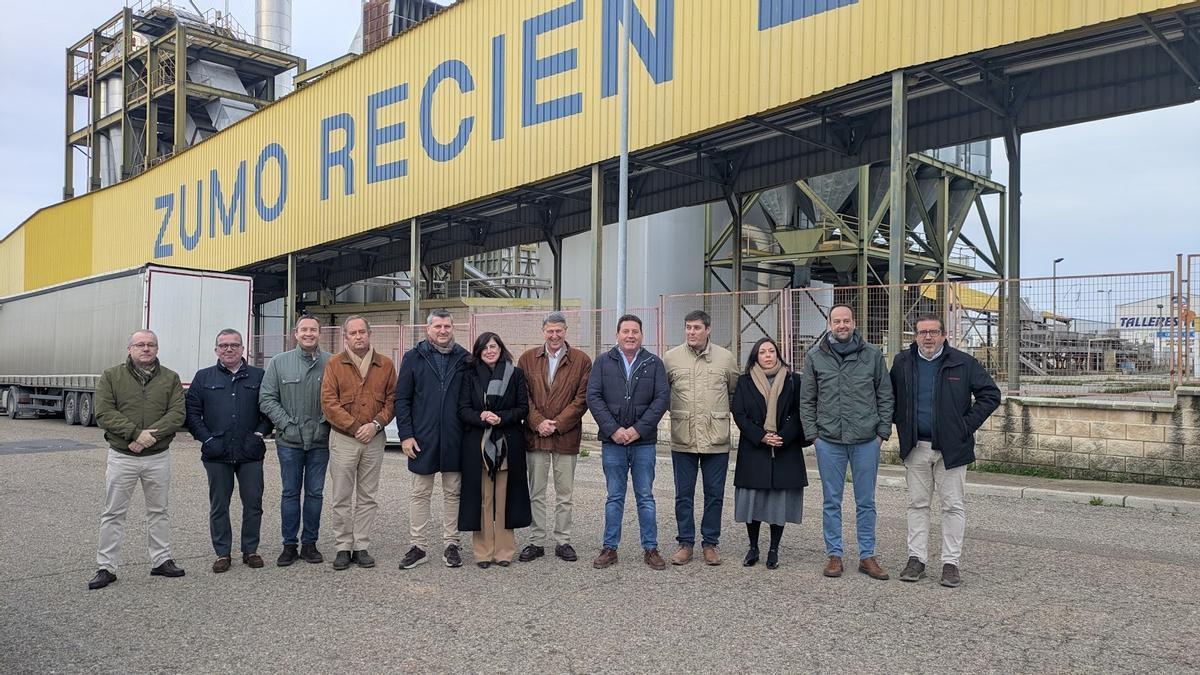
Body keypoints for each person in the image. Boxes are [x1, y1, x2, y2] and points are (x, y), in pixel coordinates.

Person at [890, 315, 1000, 588]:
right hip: (916, 447)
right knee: (917, 504)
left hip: (952, 448)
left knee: (952, 506)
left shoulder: (963, 362)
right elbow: (889, 397)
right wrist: (900, 423)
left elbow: (990, 395)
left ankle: (951, 563)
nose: (928, 337)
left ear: (943, 334)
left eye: (933, 332)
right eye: (922, 332)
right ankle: (916, 559)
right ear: (915, 335)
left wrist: (965, 426)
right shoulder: (903, 362)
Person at [799, 304, 894, 580]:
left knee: (866, 501)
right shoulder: (815, 357)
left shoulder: (872, 355)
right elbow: (807, 400)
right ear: (829, 324)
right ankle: (835, 555)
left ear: (854, 323)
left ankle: (867, 556)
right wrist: (814, 436)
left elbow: (885, 395)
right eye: (836, 321)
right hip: (829, 440)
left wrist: (881, 434)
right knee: (832, 501)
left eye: (846, 320)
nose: (842, 325)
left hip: (866, 440)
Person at [87, 329, 187, 590]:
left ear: (157, 349)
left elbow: (177, 414)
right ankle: (106, 567)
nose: (146, 349)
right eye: (140, 344)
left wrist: (146, 438)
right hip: (122, 457)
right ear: (129, 349)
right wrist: (134, 434)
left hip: (157, 457)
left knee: (159, 511)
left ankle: (161, 560)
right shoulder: (111, 376)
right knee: (113, 513)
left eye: (151, 345)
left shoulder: (170, 378)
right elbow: (104, 413)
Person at [586, 314, 670, 571]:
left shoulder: (653, 363)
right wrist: (613, 430)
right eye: (626, 331)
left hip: (643, 443)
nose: (630, 335)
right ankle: (610, 548)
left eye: (635, 331)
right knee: (614, 496)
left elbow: (661, 399)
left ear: (642, 335)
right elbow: (594, 397)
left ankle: (651, 548)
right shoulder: (602, 362)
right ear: (617, 335)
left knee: (645, 496)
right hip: (613, 443)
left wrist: (637, 430)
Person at [185, 329, 273, 574]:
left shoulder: (259, 376)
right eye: (223, 345)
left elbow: (269, 408)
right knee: (219, 505)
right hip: (217, 453)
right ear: (216, 350)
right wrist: (206, 438)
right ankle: (222, 553)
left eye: (234, 345)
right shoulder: (203, 378)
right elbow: (192, 413)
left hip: (250, 452)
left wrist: (259, 434)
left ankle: (250, 550)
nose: (229, 349)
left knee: (253, 503)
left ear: (243, 349)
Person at [394, 309, 470, 569]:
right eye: (437, 326)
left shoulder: (464, 358)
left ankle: (452, 544)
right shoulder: (413, 357)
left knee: (453, 493)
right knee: (419, 493)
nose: (443, 331)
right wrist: (406, 435)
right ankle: (419, 546)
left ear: (453, 328)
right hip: (422, 439)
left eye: (447, 326)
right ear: (428, 330)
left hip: (454, 438)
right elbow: (402, 399)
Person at [663, 309, 739, 566]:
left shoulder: (725, 358)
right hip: (683, 437)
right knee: (683, 494)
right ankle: (685, 543)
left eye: (696, 327)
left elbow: (734, 393)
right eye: (688, 327)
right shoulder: (671, 358)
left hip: (715, 438)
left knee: (714, 494)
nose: (691, 332)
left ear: (708, 329)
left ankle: (710, 543)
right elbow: (664, 395)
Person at [319, 315, 396, 571]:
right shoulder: (334, 364)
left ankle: (361, 545)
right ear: (346, 337)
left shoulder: (385, 364)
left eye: (362, 332)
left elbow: (392, 400)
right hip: (343, 439)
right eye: (353, 333)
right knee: (341, 495)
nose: (358, 336)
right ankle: (343, 546)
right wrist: (354, 427)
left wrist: (375, 425)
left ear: (369, 333)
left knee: (367, 496)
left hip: (374, 440)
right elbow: (329, 402)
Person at [516, 312, 592, 563]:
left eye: (559, 330)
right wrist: (538, 423)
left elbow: (582, 399)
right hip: (535, 437)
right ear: (543, 332)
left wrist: (556, 424)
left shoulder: (581, 361)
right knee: (536, 491)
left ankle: (563, 540)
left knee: (564, 493)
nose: (554, 335)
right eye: (550, 331)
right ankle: (536, 541)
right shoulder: (527, 359)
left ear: (566, 331)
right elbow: (522, 396)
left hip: (565, 437)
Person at [259, 315, 332, 566]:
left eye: (313, 329)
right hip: (289, 442)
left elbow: (339, 397)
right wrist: (287, 424)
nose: (308, 334)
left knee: (315, 493)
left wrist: (324, 424)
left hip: (320, 442)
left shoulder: (332, 363)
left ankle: (310, 544)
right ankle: (289, 545)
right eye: (304, 330)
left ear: (319, 333)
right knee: (290, 493)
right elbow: (267, 398)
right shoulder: (279, 363)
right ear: (295, 334)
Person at [731, 338, 808, 570]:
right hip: (754, 448)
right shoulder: (745, 381)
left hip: (785, 447)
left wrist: (781, 437)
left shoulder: (794, 380)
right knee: (752, 501)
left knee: (778, 503)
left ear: (778, 354)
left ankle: (774, 549)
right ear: (755, 356)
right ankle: (753, 547)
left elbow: (799, 412)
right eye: (762, 352)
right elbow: (739, 413)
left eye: (771, 351)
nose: (767, 355)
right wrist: (761, 436)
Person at [457, 333, 532, 568]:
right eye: (484, 348)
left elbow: (522, 408)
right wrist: (481, 417)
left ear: (501, 348)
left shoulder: (516, 374)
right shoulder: (468, 376)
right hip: (477, 445)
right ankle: (483, 552)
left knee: (504, 499)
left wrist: (501, 418)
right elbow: (462, 409)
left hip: (507, 443)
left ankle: (504, 551)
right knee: (483, 499)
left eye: (493, 346)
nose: (489, 351)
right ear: (478, 352)